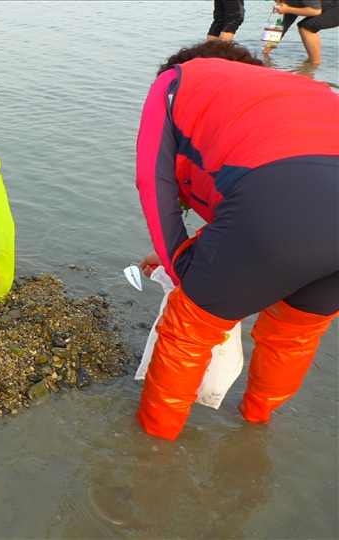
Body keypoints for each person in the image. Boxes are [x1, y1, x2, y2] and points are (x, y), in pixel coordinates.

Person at [133, 40, 338, 440]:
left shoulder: (172, 82)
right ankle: (256, 425)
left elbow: (152, 181)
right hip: (295, 211)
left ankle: (154, 449)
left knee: (189, 330)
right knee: (294, 335)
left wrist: (177, 262)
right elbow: (267, 201)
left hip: (276, 205)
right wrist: (197, 252)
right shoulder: (302, 89)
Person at [261, 1, 338, 64]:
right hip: (327, 8)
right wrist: (264, 54)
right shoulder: (289, 3)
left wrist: (288, 9)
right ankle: (311, 62)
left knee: (308, 27)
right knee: (302, 26)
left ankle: (315, 64)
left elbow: (316, 11)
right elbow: (283, 28)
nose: (276, 2)